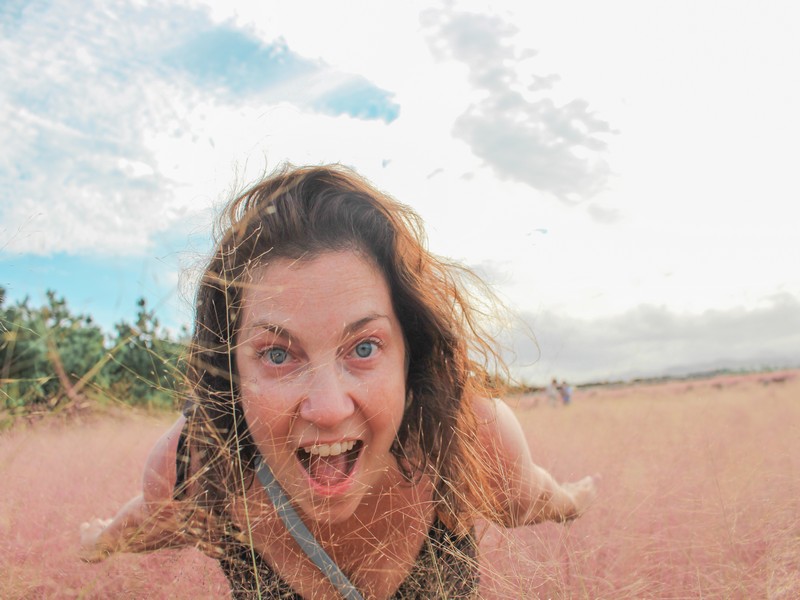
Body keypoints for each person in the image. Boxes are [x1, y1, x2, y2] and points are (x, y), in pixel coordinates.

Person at [80, 164, 597, 599]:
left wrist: (573, 500)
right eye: (278, 354)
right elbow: (146, 521)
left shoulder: (472, 436)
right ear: (230, 371)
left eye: (364, 348)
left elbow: (532, 498)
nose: (327, 409)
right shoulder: (193, 464)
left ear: (408, 354)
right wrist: (100, 540)